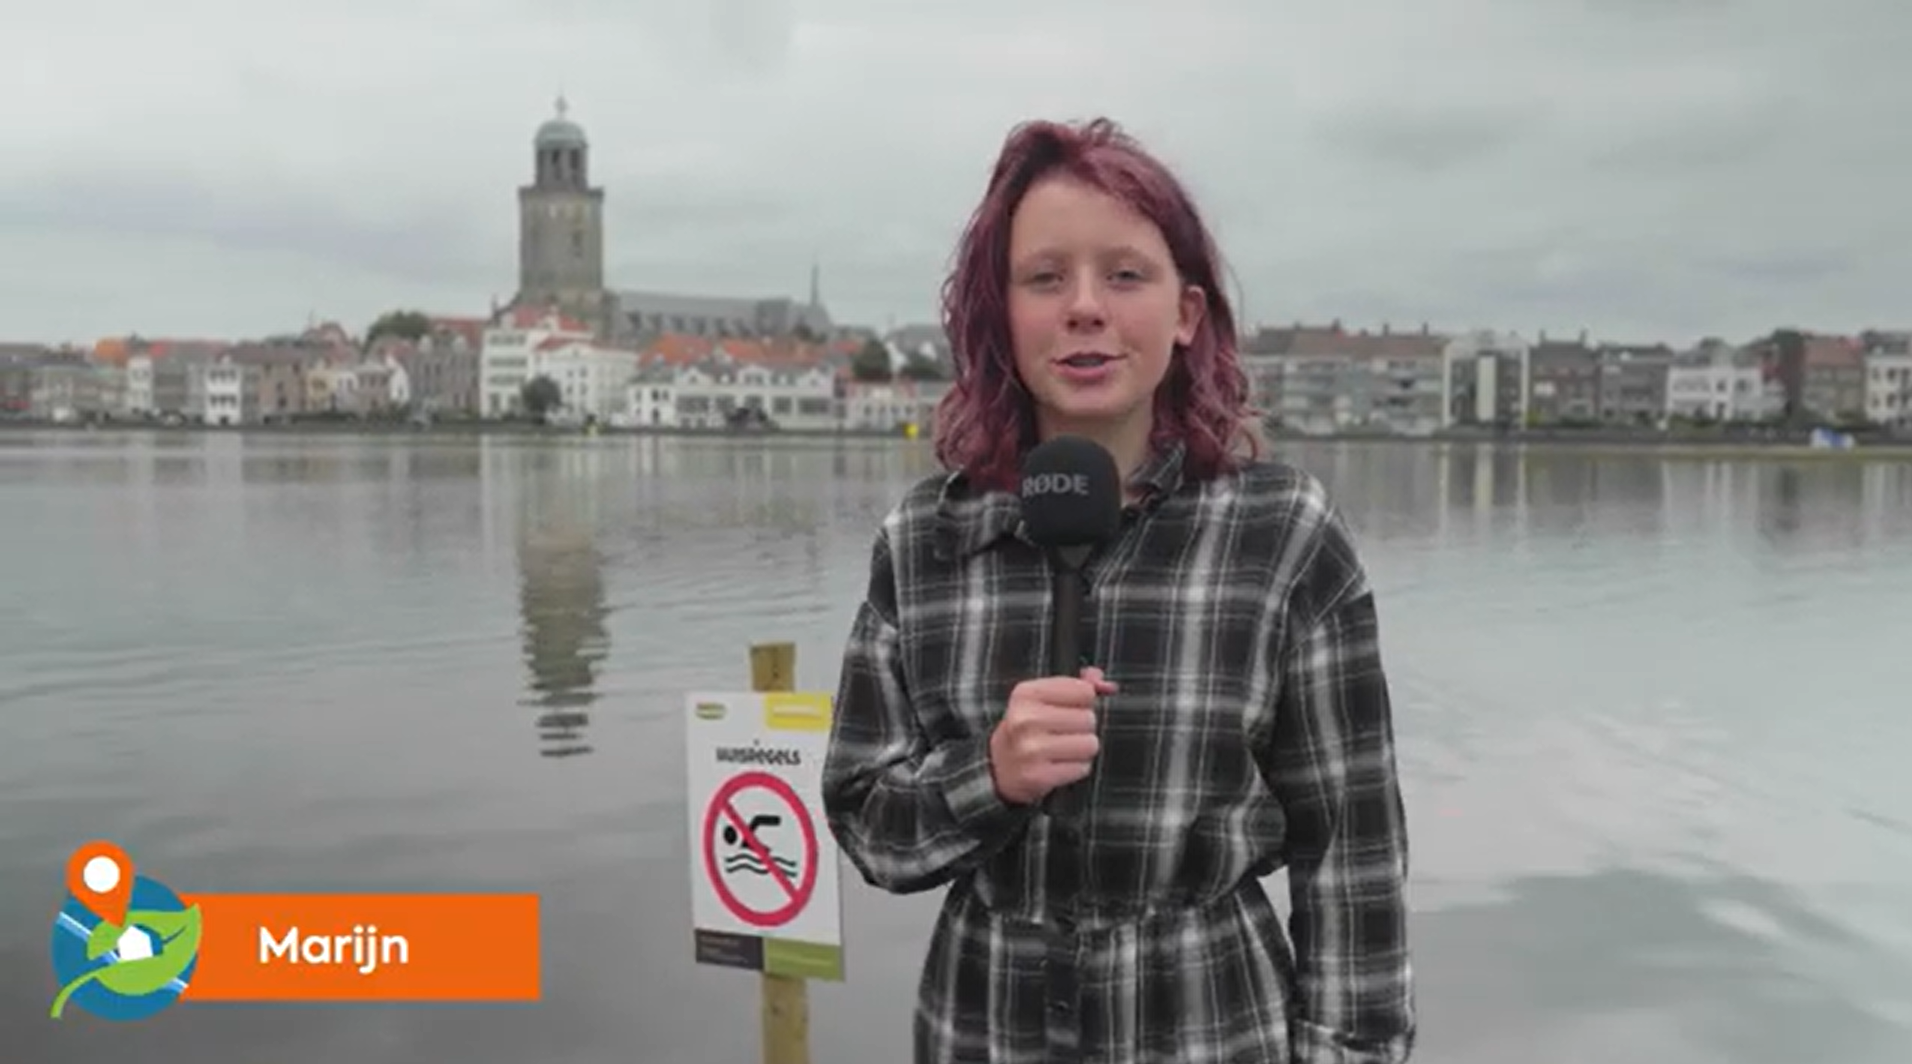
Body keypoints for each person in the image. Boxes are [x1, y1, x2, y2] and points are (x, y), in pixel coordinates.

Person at [820, 116, 1416, 1064]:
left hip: (1215, 1027)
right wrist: (989, 776)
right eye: (1044, 278)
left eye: (1126, 275)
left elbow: (1353, 856)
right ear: (999, 313)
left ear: (1186, 314)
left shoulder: (1284, 537)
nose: (1085, 308)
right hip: (983, 1028)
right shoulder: (924, 541)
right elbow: (866, 825)